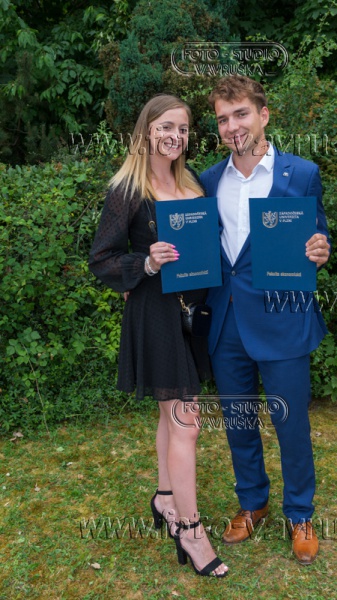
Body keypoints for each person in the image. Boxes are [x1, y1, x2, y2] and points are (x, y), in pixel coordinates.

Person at [88, 94, 228, 577]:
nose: (175, 136)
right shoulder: (127, 189)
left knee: (172, 416)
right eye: (167, 126)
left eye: (183, 129)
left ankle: (166, 497)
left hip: (193, 314)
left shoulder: (192, 182)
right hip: (156, 314)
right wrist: (145, 263)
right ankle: (190, 531)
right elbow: (101, 259)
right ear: (147, 129)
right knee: (187, 421)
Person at [200, 75, 331, 565]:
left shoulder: (302, 174)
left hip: (283, 319)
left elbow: (319, 236)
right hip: (227, 320)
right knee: (238, 421)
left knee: (291, 423)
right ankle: (252, 502)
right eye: (223, 119)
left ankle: (300, 514)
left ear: (264, 115)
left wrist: (321, 249)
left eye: (241, 114)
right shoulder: (207, 180)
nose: (232, 126)